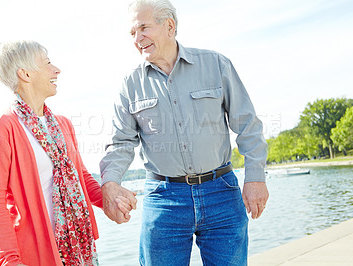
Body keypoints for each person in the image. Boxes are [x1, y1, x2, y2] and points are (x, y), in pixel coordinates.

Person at [99, 0, 269, 265]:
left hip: (221, 193)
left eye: (143, 28)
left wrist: (256, 178)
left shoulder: (216, 64)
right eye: (132, 33)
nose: (137, 38)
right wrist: (110, 183)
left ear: (169, 26)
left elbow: (248, 125)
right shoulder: (130, 85)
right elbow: (121, 143)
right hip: (164, 199)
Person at [0, 40, 130, 266]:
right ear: (25, 74)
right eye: (48, 63)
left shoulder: (63, 124)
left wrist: (110, 200)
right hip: (35, 254)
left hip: (80, 245)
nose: (57, 70)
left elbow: (81, 178)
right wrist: (9, 259)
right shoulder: (4, 126)